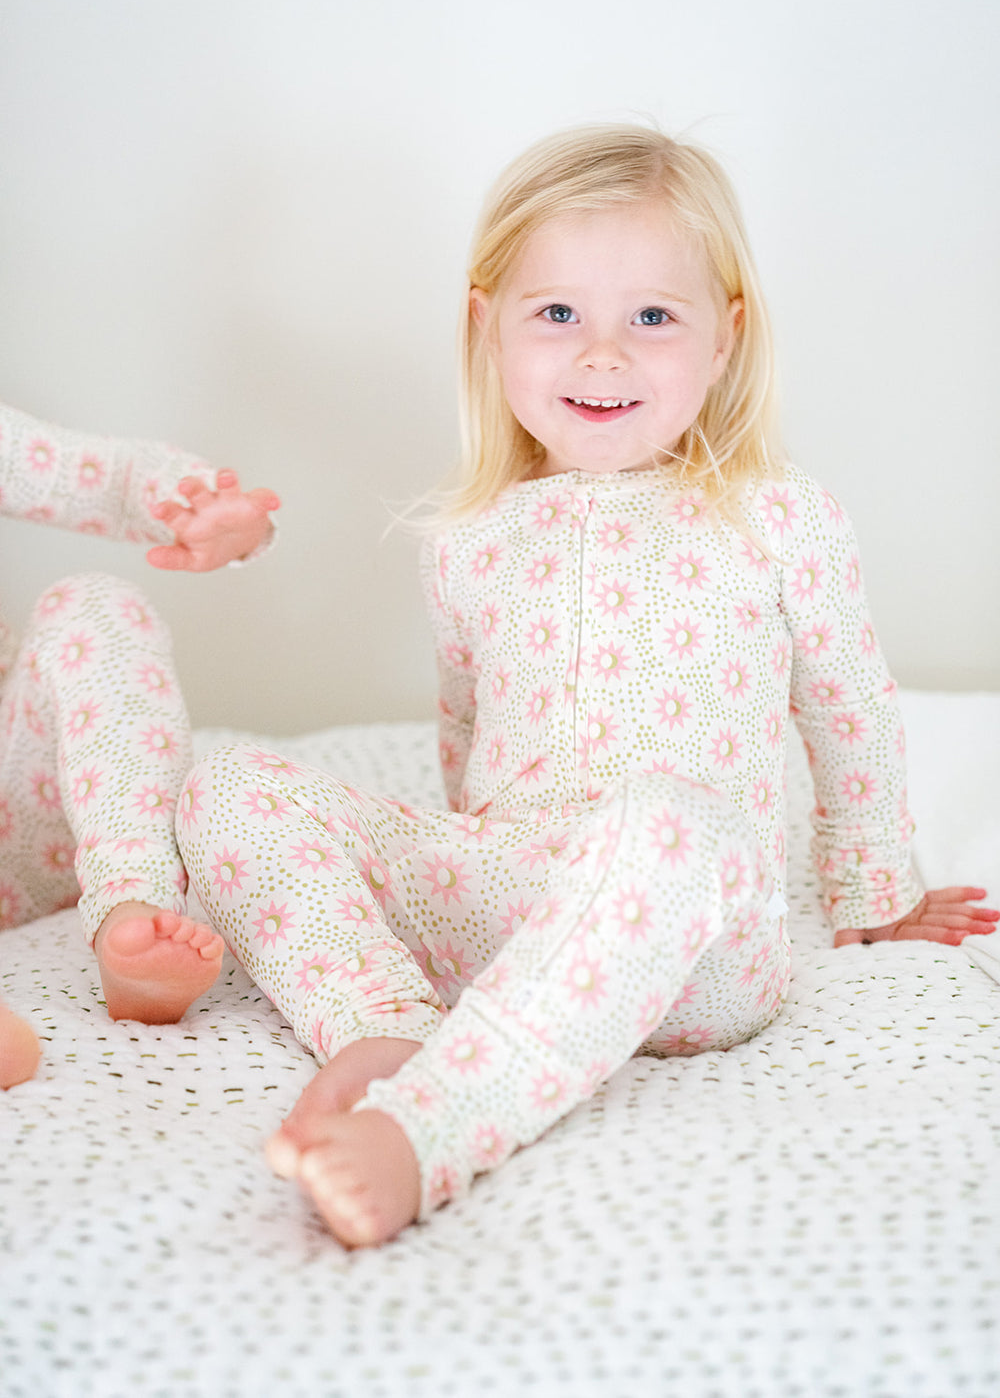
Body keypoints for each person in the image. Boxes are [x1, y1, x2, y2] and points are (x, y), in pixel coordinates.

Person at [176, 124, 996, 1246]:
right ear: (487, 329)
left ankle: (432, 1126)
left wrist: (874, 889)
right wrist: (459, 873)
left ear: (724, 338)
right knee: (225, 784)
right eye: (557, 313)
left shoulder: (777, 515)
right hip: (511, 910)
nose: (602, 355)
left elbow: (848, 705)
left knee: (664, 821)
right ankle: (384, 1026)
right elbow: (464, 734)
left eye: (652, 317)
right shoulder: (470, 541)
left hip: (697, 932)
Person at [0, 402, 280, 1088]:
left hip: (23, 823)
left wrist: (199, 506)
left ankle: (132, 907)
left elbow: (113, 477)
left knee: (97, 602)